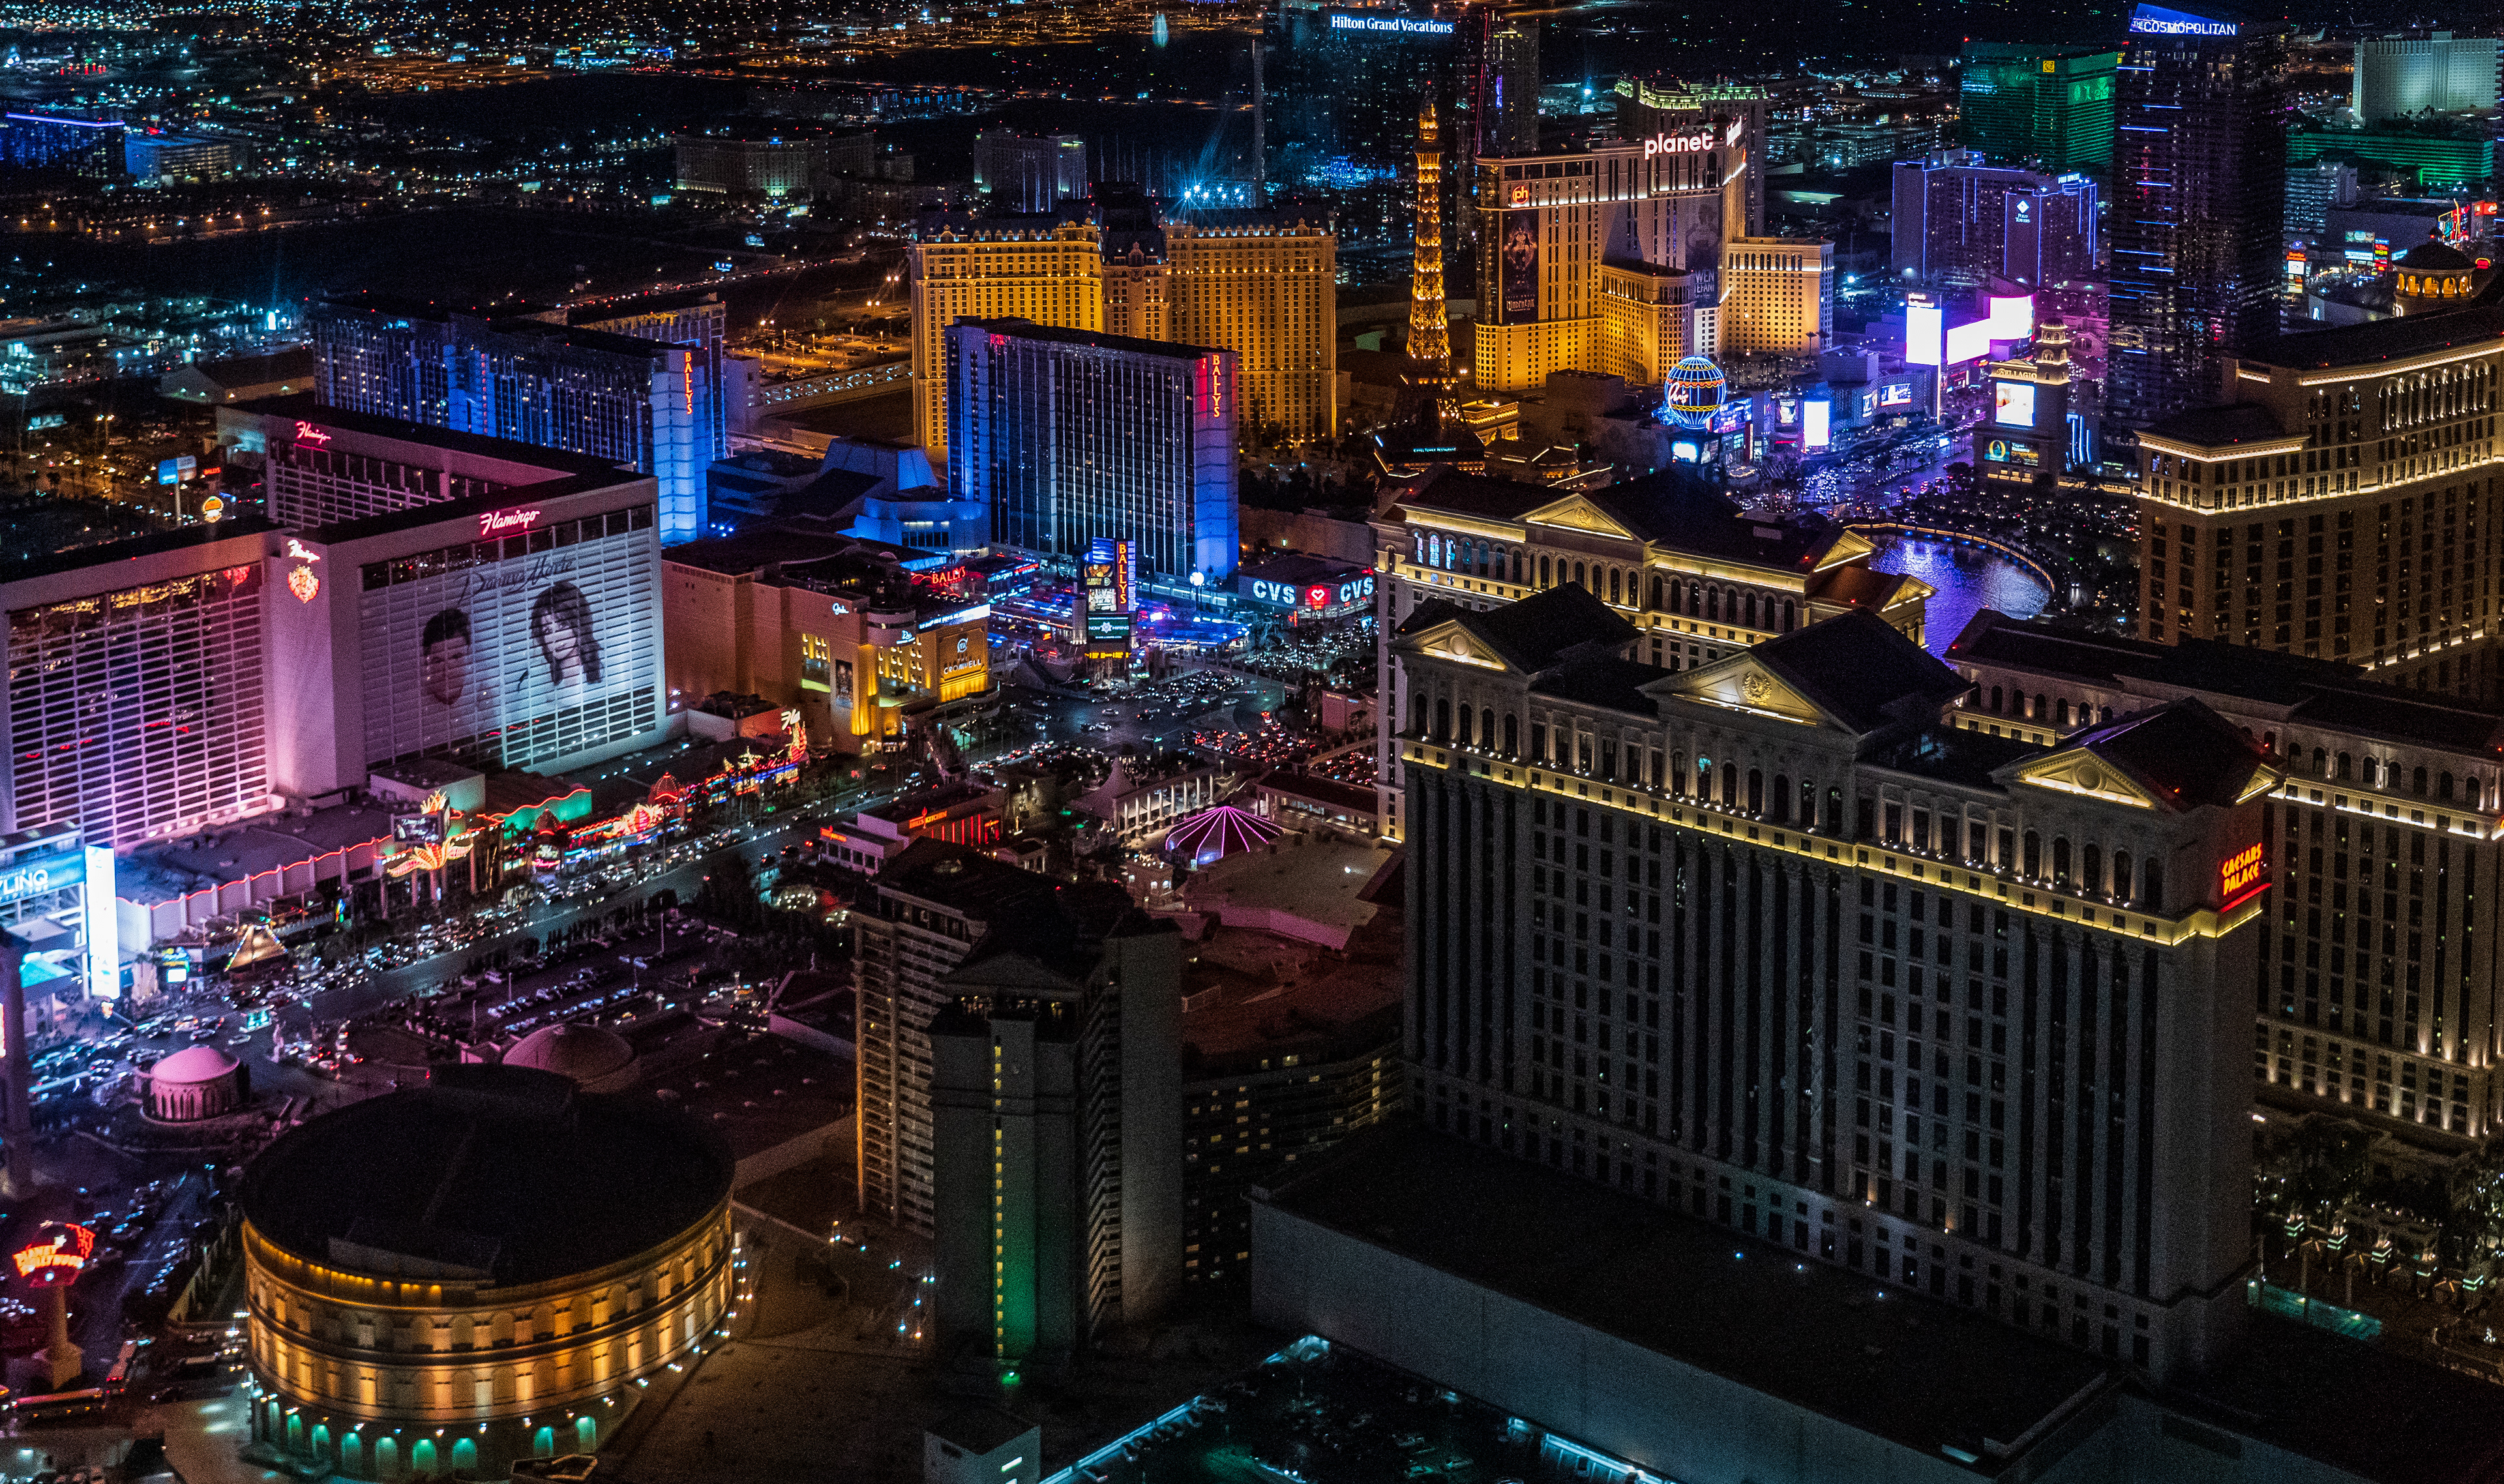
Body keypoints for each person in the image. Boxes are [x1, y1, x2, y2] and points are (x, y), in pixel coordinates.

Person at [528, 580, 602, 704]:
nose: (556, 638)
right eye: (547, 631)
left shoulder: (607, 665)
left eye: (562, 625)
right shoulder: (536, 681)